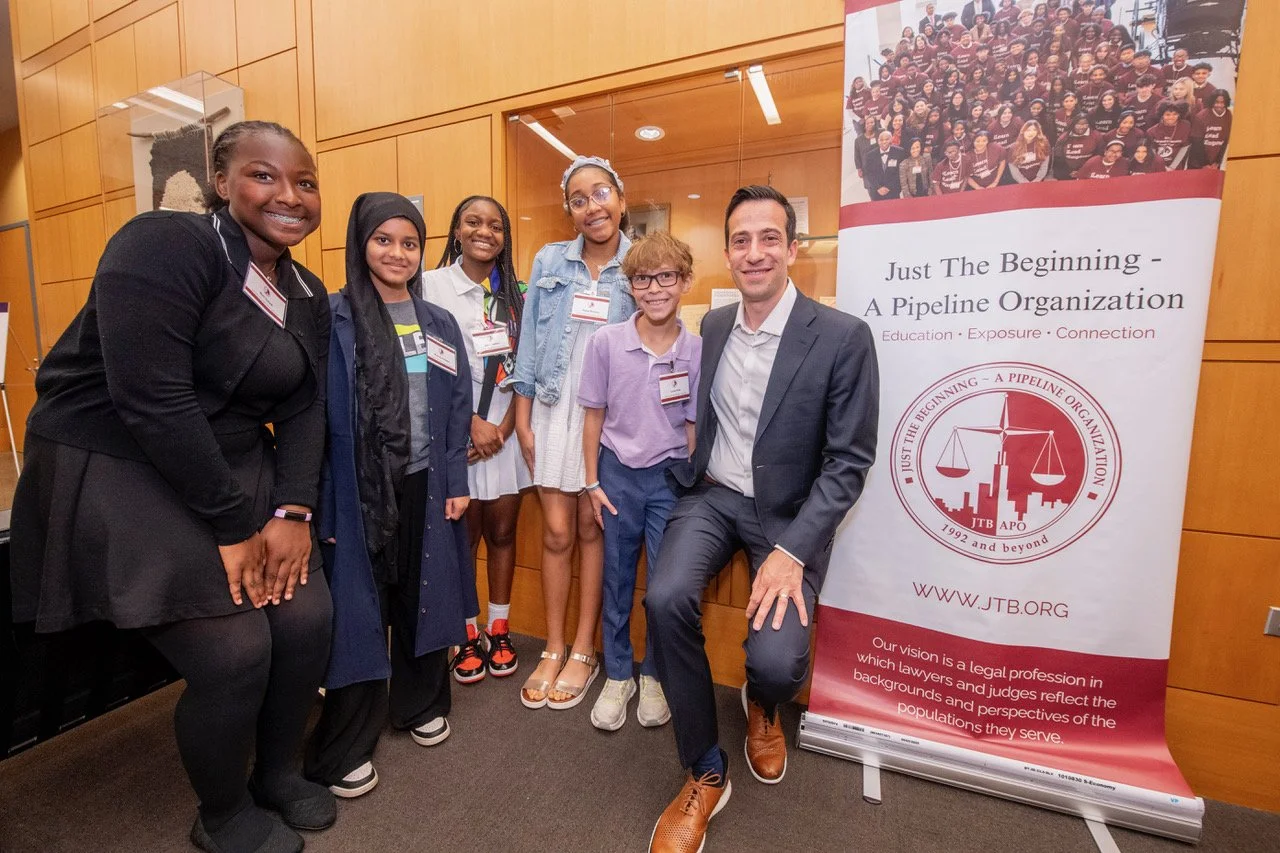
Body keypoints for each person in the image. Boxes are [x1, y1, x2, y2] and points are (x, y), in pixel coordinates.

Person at [11, 120, 333, 853]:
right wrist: (231, 526)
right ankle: (221, 814)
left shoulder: (305, 288)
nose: (288, 194)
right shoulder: (163, 244)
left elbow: (305, 405)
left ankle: (277, 774)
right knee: (235, 650)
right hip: (121, 456)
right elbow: (153, 400)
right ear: (221, 182)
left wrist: (292, 511)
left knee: (308, 616)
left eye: (305, 182)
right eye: (264, 175)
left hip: (227, 461)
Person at [644, 186, 878, 853]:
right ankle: (704, 770)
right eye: (741, 240)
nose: (754, 252)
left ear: (793, 248)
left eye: (769, 237)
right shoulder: (713, 326)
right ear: (726, 252)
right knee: (663, 598)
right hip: (714, 495)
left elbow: (849, 461)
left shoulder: (842, 337)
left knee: (777, 661)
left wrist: (794, 547)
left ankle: (764, 706)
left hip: (789, 516)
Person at [304, 193, 474, 800]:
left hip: (427, 487)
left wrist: (457, 483)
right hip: (356, 489)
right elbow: (312, 420)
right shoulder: (332, 316)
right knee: (359, 609)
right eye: (384, 240)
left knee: (422, 594)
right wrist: (319, 503)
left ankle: (419, 702)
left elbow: (458, 411)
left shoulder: (439, 324)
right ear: (360, 243)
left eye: (409, 243)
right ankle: (348, 739)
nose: (397, 253)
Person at [512, 156, 636, 710]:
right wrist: (521, 412)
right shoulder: (549, 260)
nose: (592, 206)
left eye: (601, 193)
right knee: (557, 532)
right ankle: (554, 645)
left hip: (606, 417)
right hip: (552, 406)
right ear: (570, 210)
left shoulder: (640, 262)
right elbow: (531, 341)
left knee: (593, 531)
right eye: (579, 199)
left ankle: (584, 648)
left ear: (621, 198)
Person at [578, 231, 700, 732]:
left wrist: (694, 488)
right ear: (630, 287)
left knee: (663, 588)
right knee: (617, 578)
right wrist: (591, 482)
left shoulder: (697, 349)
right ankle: (619, 674)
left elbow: (693, 425)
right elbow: (592, 417)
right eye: (643, 279)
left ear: (685, 282)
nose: (654, 288)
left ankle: (654, 674)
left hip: (670, 480)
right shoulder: (606, 343)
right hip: (616, 477)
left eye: (665, 277)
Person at [420, 196, 529, 683]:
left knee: (503, 534)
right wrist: (469, 426)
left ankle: (498, 626)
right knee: (460, 541)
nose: (485, 231)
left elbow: (526, 368)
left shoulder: (519, 294)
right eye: (473, 222)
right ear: (456, 230)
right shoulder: (429, 286)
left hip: (504, 437)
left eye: (496, 225)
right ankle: (465, 632)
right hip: (456, 438)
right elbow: (425, 368)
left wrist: (503, 431)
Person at [1190, 90, 1232, 168]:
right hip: (1198, 161)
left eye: (1222, 102)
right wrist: (1205, 164)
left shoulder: (1229, 115)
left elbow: (1225, 141)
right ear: (1212, 101)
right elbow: (1196, 142)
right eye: (1216, 102)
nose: (1219, 105)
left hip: (1215, 162)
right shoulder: (1201, 116)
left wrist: (1217, 161)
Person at [1054, 114, 1101, 179]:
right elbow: (1058, 158)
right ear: (1073, 124)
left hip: (1088, 172)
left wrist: (1082, 171)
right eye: (1078, 124)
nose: (1081, 127)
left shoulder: (1096, 136)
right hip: (1067, 172)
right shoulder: (1063, 138)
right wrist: (1068, 171)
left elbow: (1099, 155)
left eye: (1085, 124)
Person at [863, 130, 906, 201]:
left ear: (891, 139)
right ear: (878, 140)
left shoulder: (899, 152)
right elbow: (869, 173)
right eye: (881, 140)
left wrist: (889, 187)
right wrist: (878, 188)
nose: (884, 142)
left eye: (887, 139)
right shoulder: (870, 155)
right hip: (877, 192)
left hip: (893, 191)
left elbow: (900, 172)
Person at [1008, 118, 1053, 183]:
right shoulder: (1013, 147)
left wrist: (1038, 179)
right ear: (1023, 131)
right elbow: (1014, 169)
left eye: (1034, 130)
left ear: (1038, 132)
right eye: (1028, 130)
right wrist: (1024, 182)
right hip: (1020, 182)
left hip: (1038, 180)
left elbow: (1045, 164)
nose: (1031, 133)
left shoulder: (1044, 144)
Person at [1147, 104, 1192, 170]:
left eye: (1175, 114)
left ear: (1179, 114)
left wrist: (1172, 167)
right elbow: (1152, 151)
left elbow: (1185, 147)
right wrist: (1162, 166)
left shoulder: (1185, 126)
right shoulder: (1151, 131)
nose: (1171, 117)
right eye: (1167, 114)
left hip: (1177, 165)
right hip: (1159, 165)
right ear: (1162, 115)